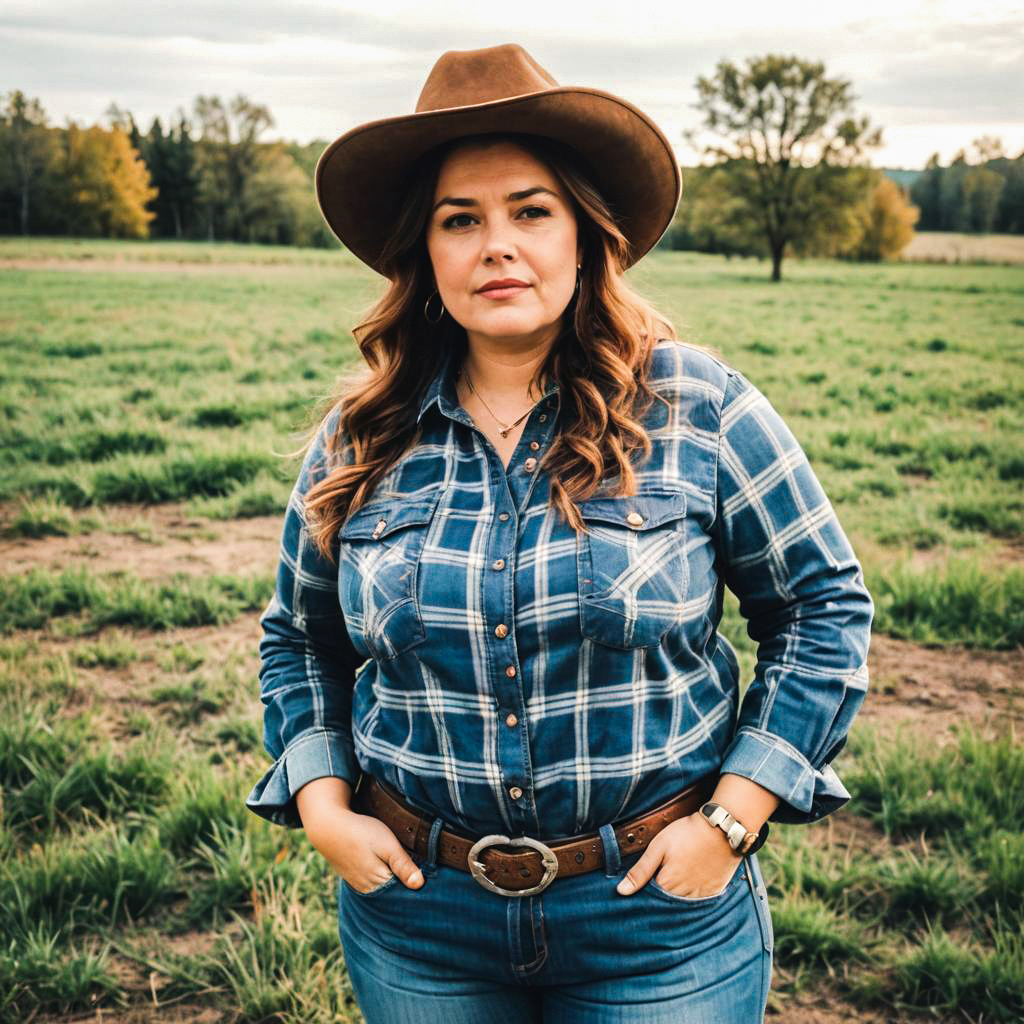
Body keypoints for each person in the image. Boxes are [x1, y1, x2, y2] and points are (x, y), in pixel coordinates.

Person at [246, 42, 874, 1023]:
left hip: (658, 918)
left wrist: (735, 811)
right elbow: (298, 639)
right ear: (427, 253)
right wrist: (322, 802)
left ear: (584, 236)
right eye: (461, 220)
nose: (496, 244)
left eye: (530, 211)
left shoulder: (698, 409)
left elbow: (821, 606)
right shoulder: (360, 438)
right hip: (418, 914)